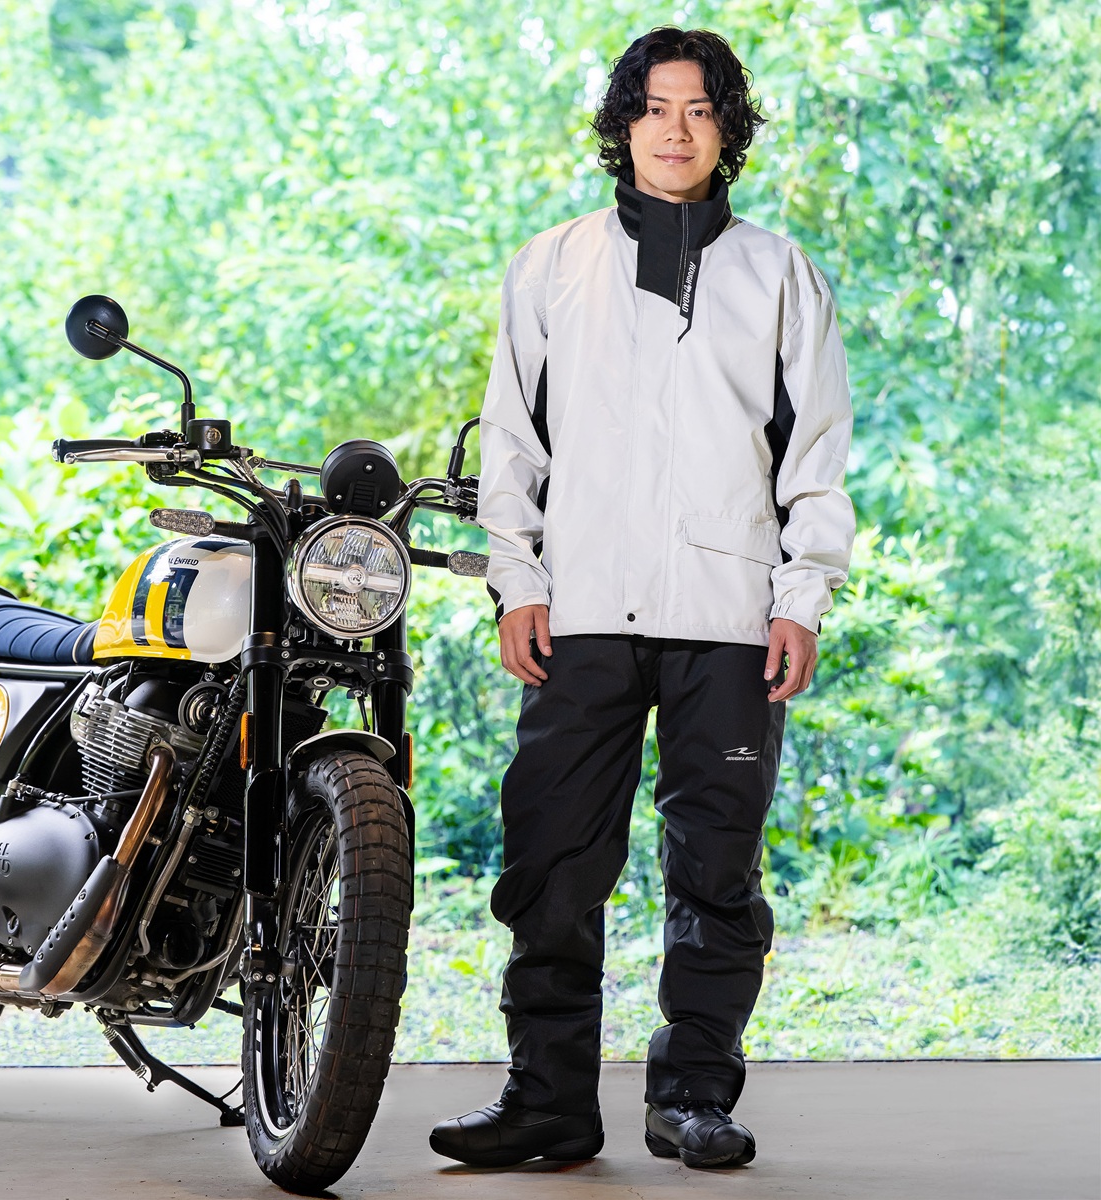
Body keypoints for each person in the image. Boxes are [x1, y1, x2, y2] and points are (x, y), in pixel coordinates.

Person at [430, 26, 854, 1171]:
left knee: (718, 870)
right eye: (657, 108)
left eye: (701, 110)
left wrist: (802, 597)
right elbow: (513, 440)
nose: (677, 130)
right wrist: (516, 579)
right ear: (623, 124)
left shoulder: (780, 276)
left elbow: (814, 453)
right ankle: (549, 1100)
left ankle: (693, 1097)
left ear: (728, 131)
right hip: (582, 611)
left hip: (730, 616)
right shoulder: (551, 266)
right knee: (551, 861)